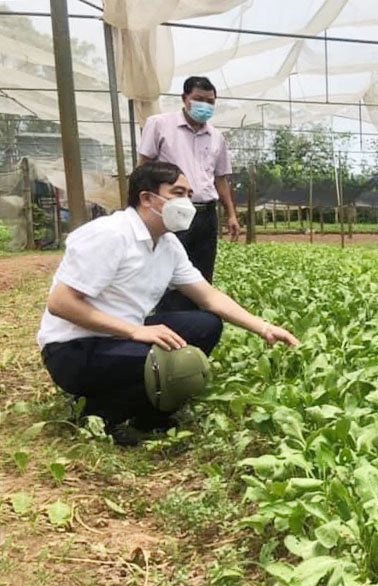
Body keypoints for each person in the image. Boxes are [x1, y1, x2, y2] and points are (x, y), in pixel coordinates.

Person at [37, 162, 298, 445]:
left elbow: (208, 297)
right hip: (74, 349)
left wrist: (264, 328)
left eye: (188, 194)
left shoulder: (168, 245)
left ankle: (146, 413)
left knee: (205, 326)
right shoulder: (111, 234)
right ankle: (98, 412)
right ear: (147, 198)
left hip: (118, 338)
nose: (187, 202)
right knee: (178, 363)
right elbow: (61, 303)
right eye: (177, 193)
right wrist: (135, 332)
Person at [139, 76, 240, 312]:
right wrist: (140, 205)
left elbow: (221, 178)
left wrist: (231, 214)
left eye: (210, 101)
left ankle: (195, 321)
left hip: (206, 213)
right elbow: (143, 166)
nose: (205, 105)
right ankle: (166, 320)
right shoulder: (159, 124)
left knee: (202, 272)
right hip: (172, 210)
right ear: (184, 99)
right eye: (199, 99)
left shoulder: (216, 136)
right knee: (166, 270)